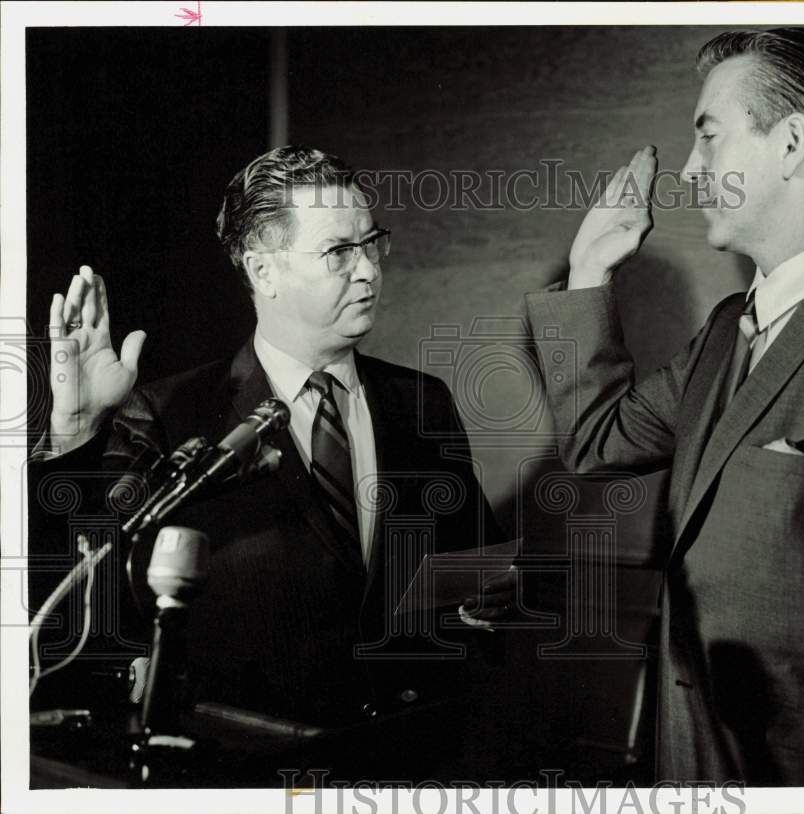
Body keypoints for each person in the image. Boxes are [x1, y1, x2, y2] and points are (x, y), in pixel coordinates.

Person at [526, 28, 804, 786]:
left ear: (792, 142)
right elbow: (597, 441)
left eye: (709, 137)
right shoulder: (721, 336)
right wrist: (588, 271)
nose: (691, 171)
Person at [31, 145, 516, 779]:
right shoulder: (171, 410)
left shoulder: (420, 401)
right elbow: (78, 604)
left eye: (373, 243)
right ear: (265, 271)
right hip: (246, 764)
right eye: (340, 252)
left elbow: (473, 567)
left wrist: (492, 599)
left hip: (404, 758)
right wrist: (76, 431)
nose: (369, 270)